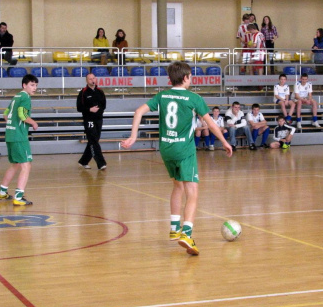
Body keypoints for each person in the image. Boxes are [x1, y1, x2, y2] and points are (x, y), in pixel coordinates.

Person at [121, 61, 233, 256]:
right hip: (184, 149)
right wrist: (224, 141)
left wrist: (133, 136)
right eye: (190, 76)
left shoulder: (162, 95)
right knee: (192, 191)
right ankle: (187, 233)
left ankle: (174, 227)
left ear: (170, 79)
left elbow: (138, 111)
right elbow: (211, 124)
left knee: (177, 186)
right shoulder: (194, 98)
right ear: (186, 78)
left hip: (166, 148)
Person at [0, 74, 39, 206]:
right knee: (26, 165)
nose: (34, 88)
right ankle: (18, 197)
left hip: (10, 135)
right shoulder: (25, 97)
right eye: (32, 85)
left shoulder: (16, 96)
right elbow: (22, 115)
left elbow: (5, 114)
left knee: (15, 164)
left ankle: (2, 192)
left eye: (36, 85)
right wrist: (33, 123)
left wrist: (12, 125)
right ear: (24, 85)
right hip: (19, 136)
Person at [77, 72, 107, 170]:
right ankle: (101, 163)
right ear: (87, 81)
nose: (92, 80)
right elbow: (79, 107)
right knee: (93, 140)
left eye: (93, 78)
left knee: (93, 140)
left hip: (99, 119)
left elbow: (104, 105)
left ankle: (83, 161)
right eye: (90, 79)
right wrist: (89, 109)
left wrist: (99, 110)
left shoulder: (100, 91)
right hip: (89, 120)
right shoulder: (83, 92)